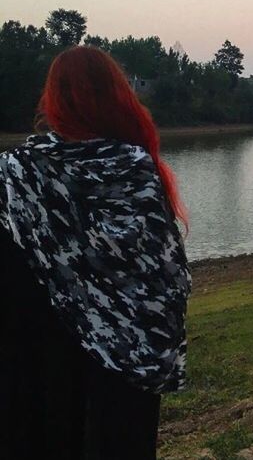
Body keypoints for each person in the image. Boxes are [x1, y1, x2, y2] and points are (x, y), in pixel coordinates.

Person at [0, 45, 192, 459]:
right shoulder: (134, 168)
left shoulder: (15, 173)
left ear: (51, 100)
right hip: (121, 366)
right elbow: (164, 279)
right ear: (116, 96)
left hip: (35, 362)